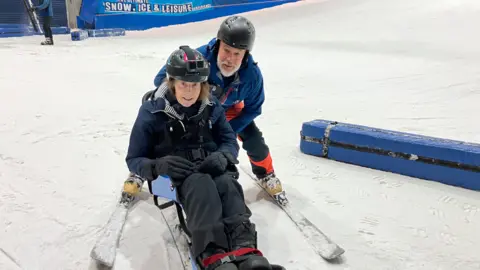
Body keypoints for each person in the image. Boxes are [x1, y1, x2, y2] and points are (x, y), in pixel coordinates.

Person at [126, 45, 276, 270]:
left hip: (209, 163)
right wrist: (158, 165)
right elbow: (134, 159)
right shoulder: (151, 111)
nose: (189, 92)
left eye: (195, 85)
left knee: (227, 183)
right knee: (202, 185)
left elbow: (228, 139)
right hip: (175, 174)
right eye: (183, 84)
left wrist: (224, 156)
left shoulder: (211, 105)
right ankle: (211, 252)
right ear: (172, 82)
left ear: (203, 84)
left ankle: (244, 246)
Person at [152, 15, 287, 206]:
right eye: (226, 50)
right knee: (166, 132)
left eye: (237, 54)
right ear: (217, 44)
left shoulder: (252, 76)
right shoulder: (197, 57)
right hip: (194, 106)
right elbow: (160, 80)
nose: (230, 59)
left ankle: (266, 173)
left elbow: (253, 109)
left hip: (228, 111)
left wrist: (230, 129)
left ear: (246, 55)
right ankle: (144, 167)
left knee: (254, 138)